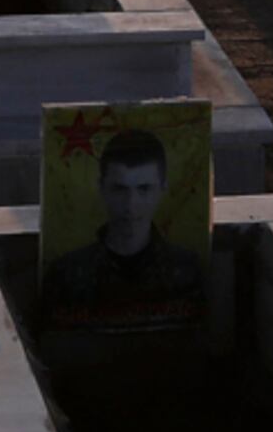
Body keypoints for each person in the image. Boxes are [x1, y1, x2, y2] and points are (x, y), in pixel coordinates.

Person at [41, 127, 205, 325]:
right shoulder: (66, 275)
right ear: (102, 188)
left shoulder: (187, 271)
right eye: (120, 189)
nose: (130, 204)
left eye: (143, 189)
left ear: (162, 189)